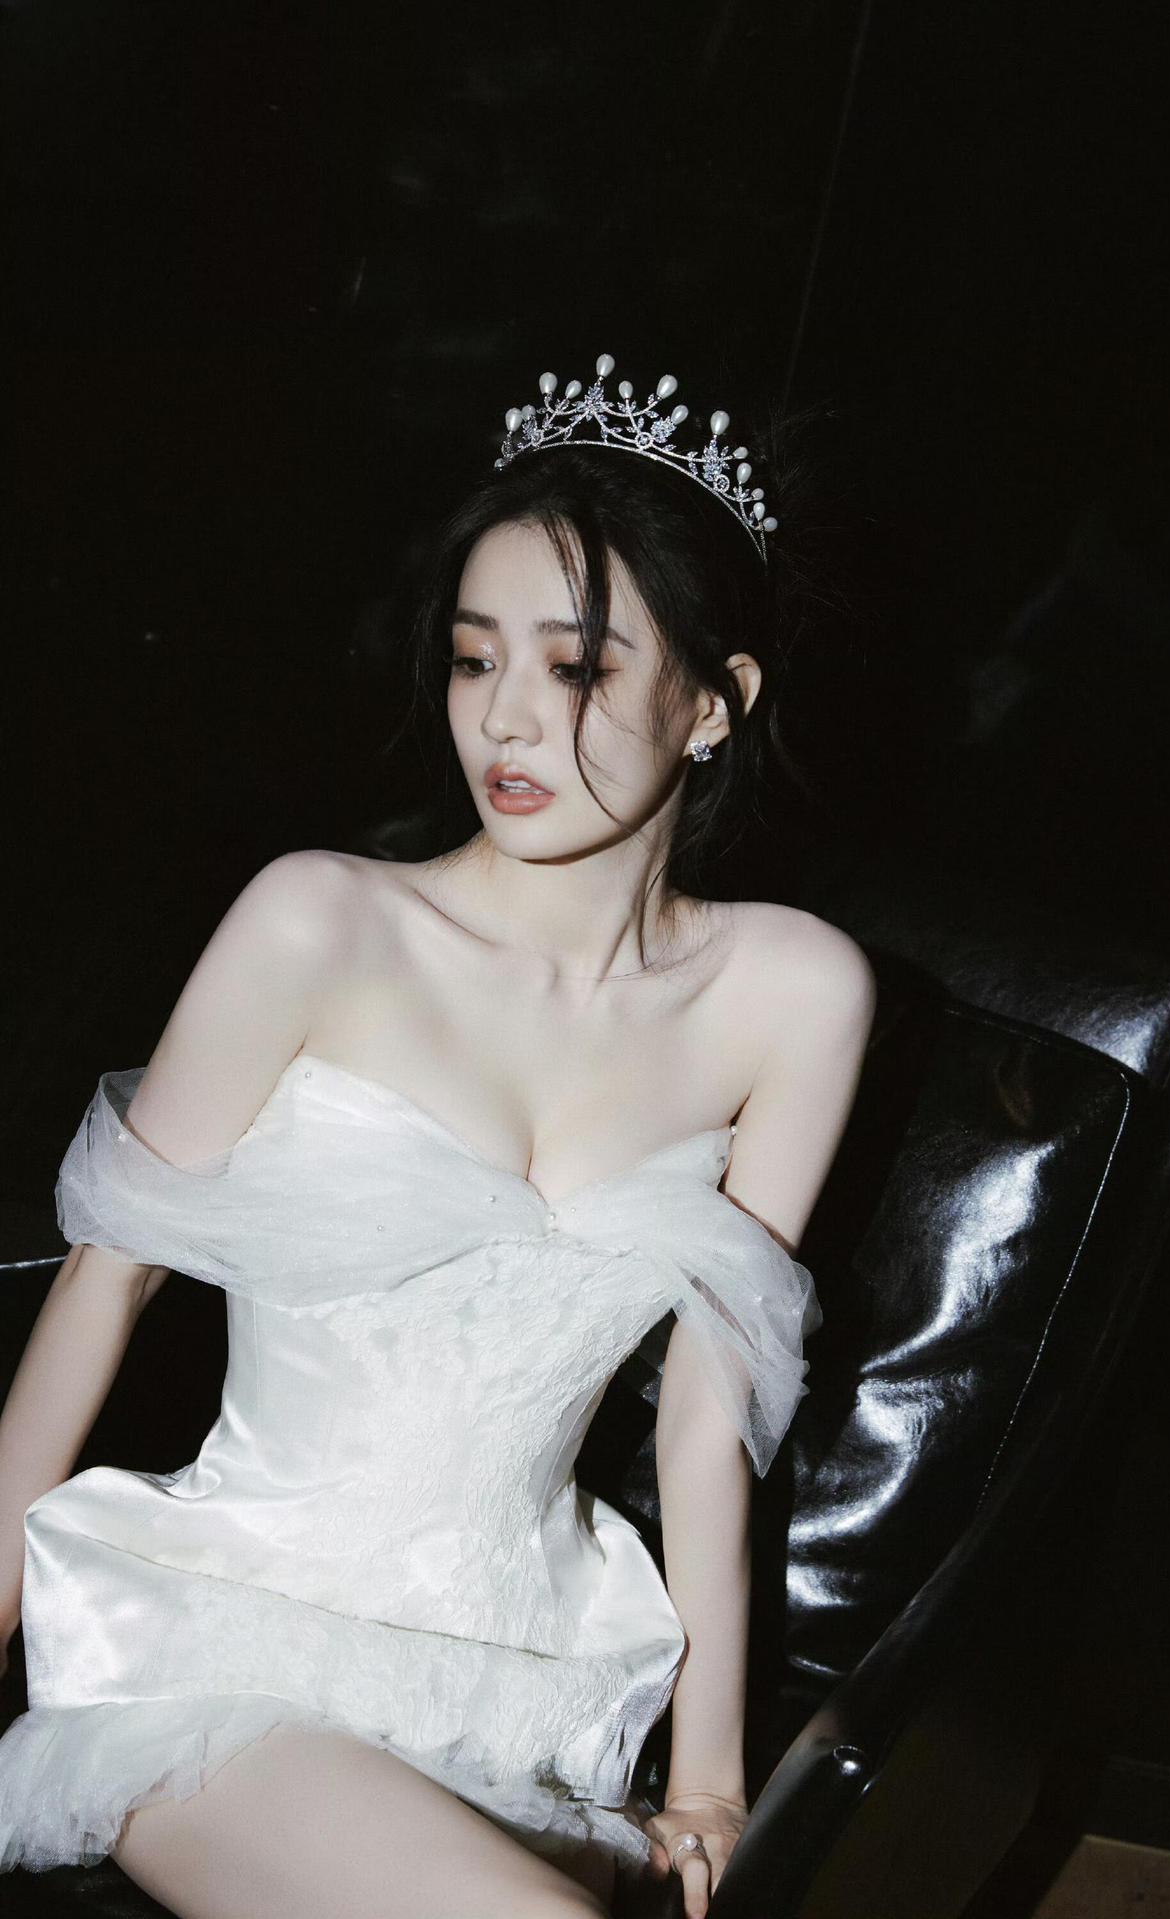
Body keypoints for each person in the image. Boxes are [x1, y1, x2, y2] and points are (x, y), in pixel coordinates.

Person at [0, 357, 875, 1919]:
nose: (506, 719)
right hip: (224, 1655)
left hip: (527, 1692)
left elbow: (708, 1415)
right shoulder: (321, 923)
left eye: (578, 667)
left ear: (716, 703)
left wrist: (710, 1784)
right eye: (476, 659)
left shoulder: (793, 995)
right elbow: (105, 1281)